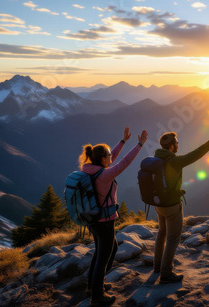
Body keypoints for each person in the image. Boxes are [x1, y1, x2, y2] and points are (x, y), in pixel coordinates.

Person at [80, 127, 148, 307]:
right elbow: (124, 162)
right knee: (103, 258)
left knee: (104, 251)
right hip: (104, 221)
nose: (111, 158)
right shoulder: (105, 174)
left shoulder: (88, 169)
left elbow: (114, 158)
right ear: (103, 159)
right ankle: (97, 297)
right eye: (109, 156)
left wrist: (123, 141)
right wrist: (139, 145)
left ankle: (92, 286)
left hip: (92, 219)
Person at [153, 124, 209, 283]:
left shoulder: (155, 158)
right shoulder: (175, 161)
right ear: (171, 146)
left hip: (158, 204)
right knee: (172, 238)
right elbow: (197, 153)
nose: (178, 145)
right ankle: (166, 273)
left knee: (161, 233)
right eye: (177, 143)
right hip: (172, 205)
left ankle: (157, 266)